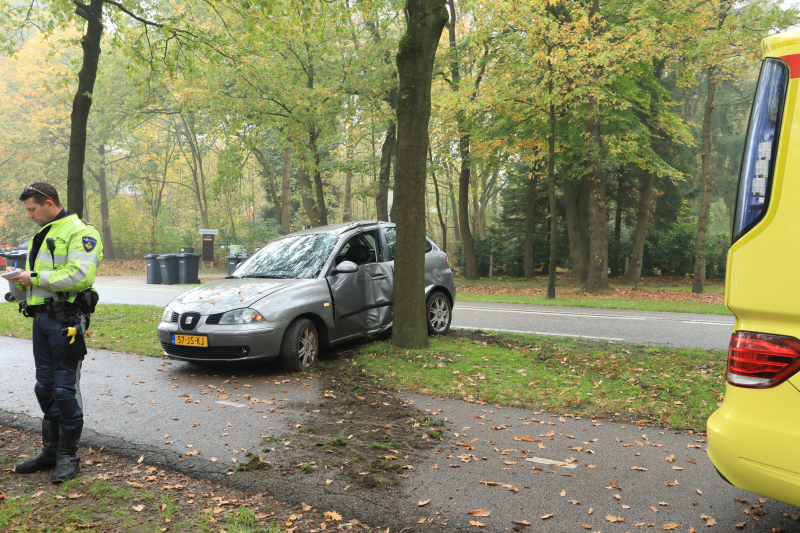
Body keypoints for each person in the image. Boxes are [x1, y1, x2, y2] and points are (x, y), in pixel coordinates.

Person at [5, 183, 103, 483]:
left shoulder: (81, 231)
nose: (30, 216)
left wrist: (31, 276)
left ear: (49, 203)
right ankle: (50, 451)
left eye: (32, 210)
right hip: (42, 320)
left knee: (63, 389)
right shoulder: (42, 233)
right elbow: (44, 278)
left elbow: (78, 275)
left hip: (67, 320)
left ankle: (67, 456)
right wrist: (18, 283)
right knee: (44, 388)